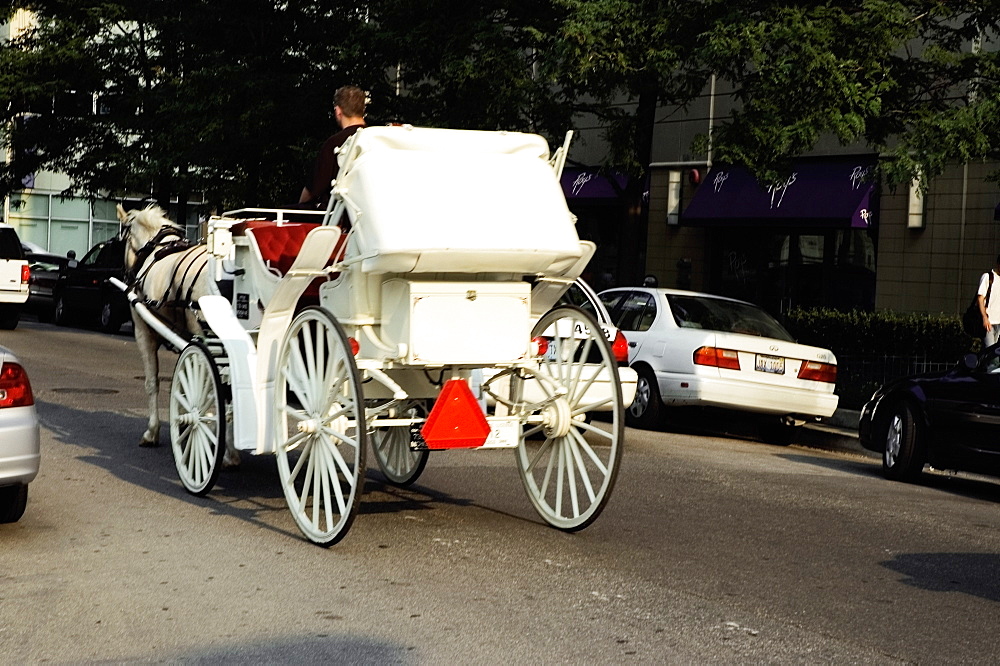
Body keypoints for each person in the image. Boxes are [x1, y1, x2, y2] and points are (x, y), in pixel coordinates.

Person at [299, 85, 367, 210]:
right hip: (367, 210)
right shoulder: (376, 138)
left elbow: (314, 188)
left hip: (337, 214)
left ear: (338, 111)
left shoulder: (334, 143)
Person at [977, 254, 1000, 346]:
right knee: (990, 351)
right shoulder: (988, 277)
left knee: (995, 352)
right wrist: (984, 317)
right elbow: (980, 298)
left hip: (999, 322)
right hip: (989, 322)